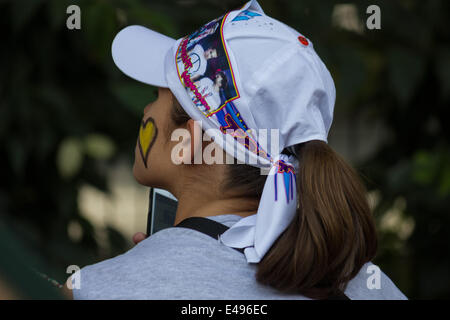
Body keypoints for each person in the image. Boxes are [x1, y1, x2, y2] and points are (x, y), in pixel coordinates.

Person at [68, 0, 407, 299]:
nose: (146, 112)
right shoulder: (368, 285)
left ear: (188, 141)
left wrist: (157, 268)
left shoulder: (96, 289)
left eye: (157, 95)